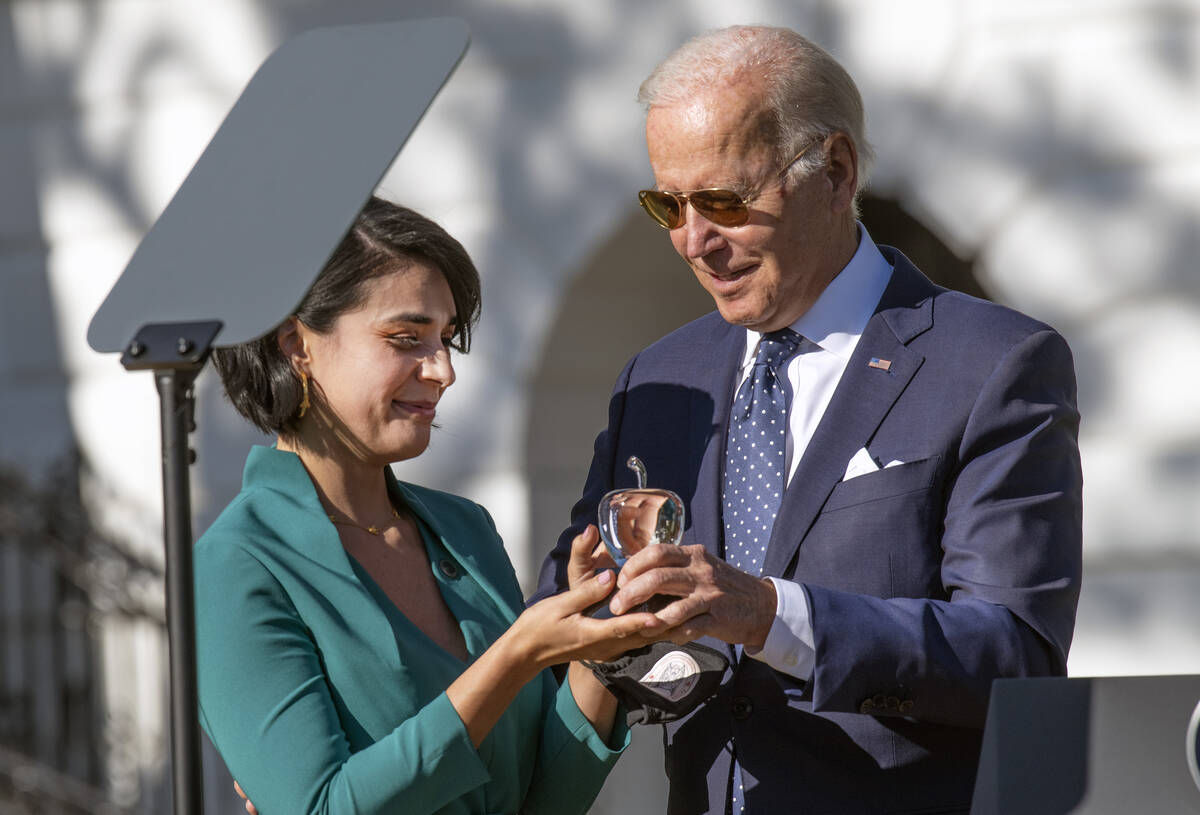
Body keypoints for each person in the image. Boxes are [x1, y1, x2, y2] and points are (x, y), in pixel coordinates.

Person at [533, 25, 1083, 815]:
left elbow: (1014, 653)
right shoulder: (660, 377)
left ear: (835, 170)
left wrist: (771, 614)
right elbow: (565, 606)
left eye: (724, 200)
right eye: (668, 204)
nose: (694, 241)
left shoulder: (993, 361)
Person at [195, 197, 666, 815]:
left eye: (445, 339)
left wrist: (596, 648)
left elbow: (542, 802)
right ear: (295, 346)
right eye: (405, 338)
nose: (443, 370)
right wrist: (517, 653)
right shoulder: (237, 564)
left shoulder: (463, 529)